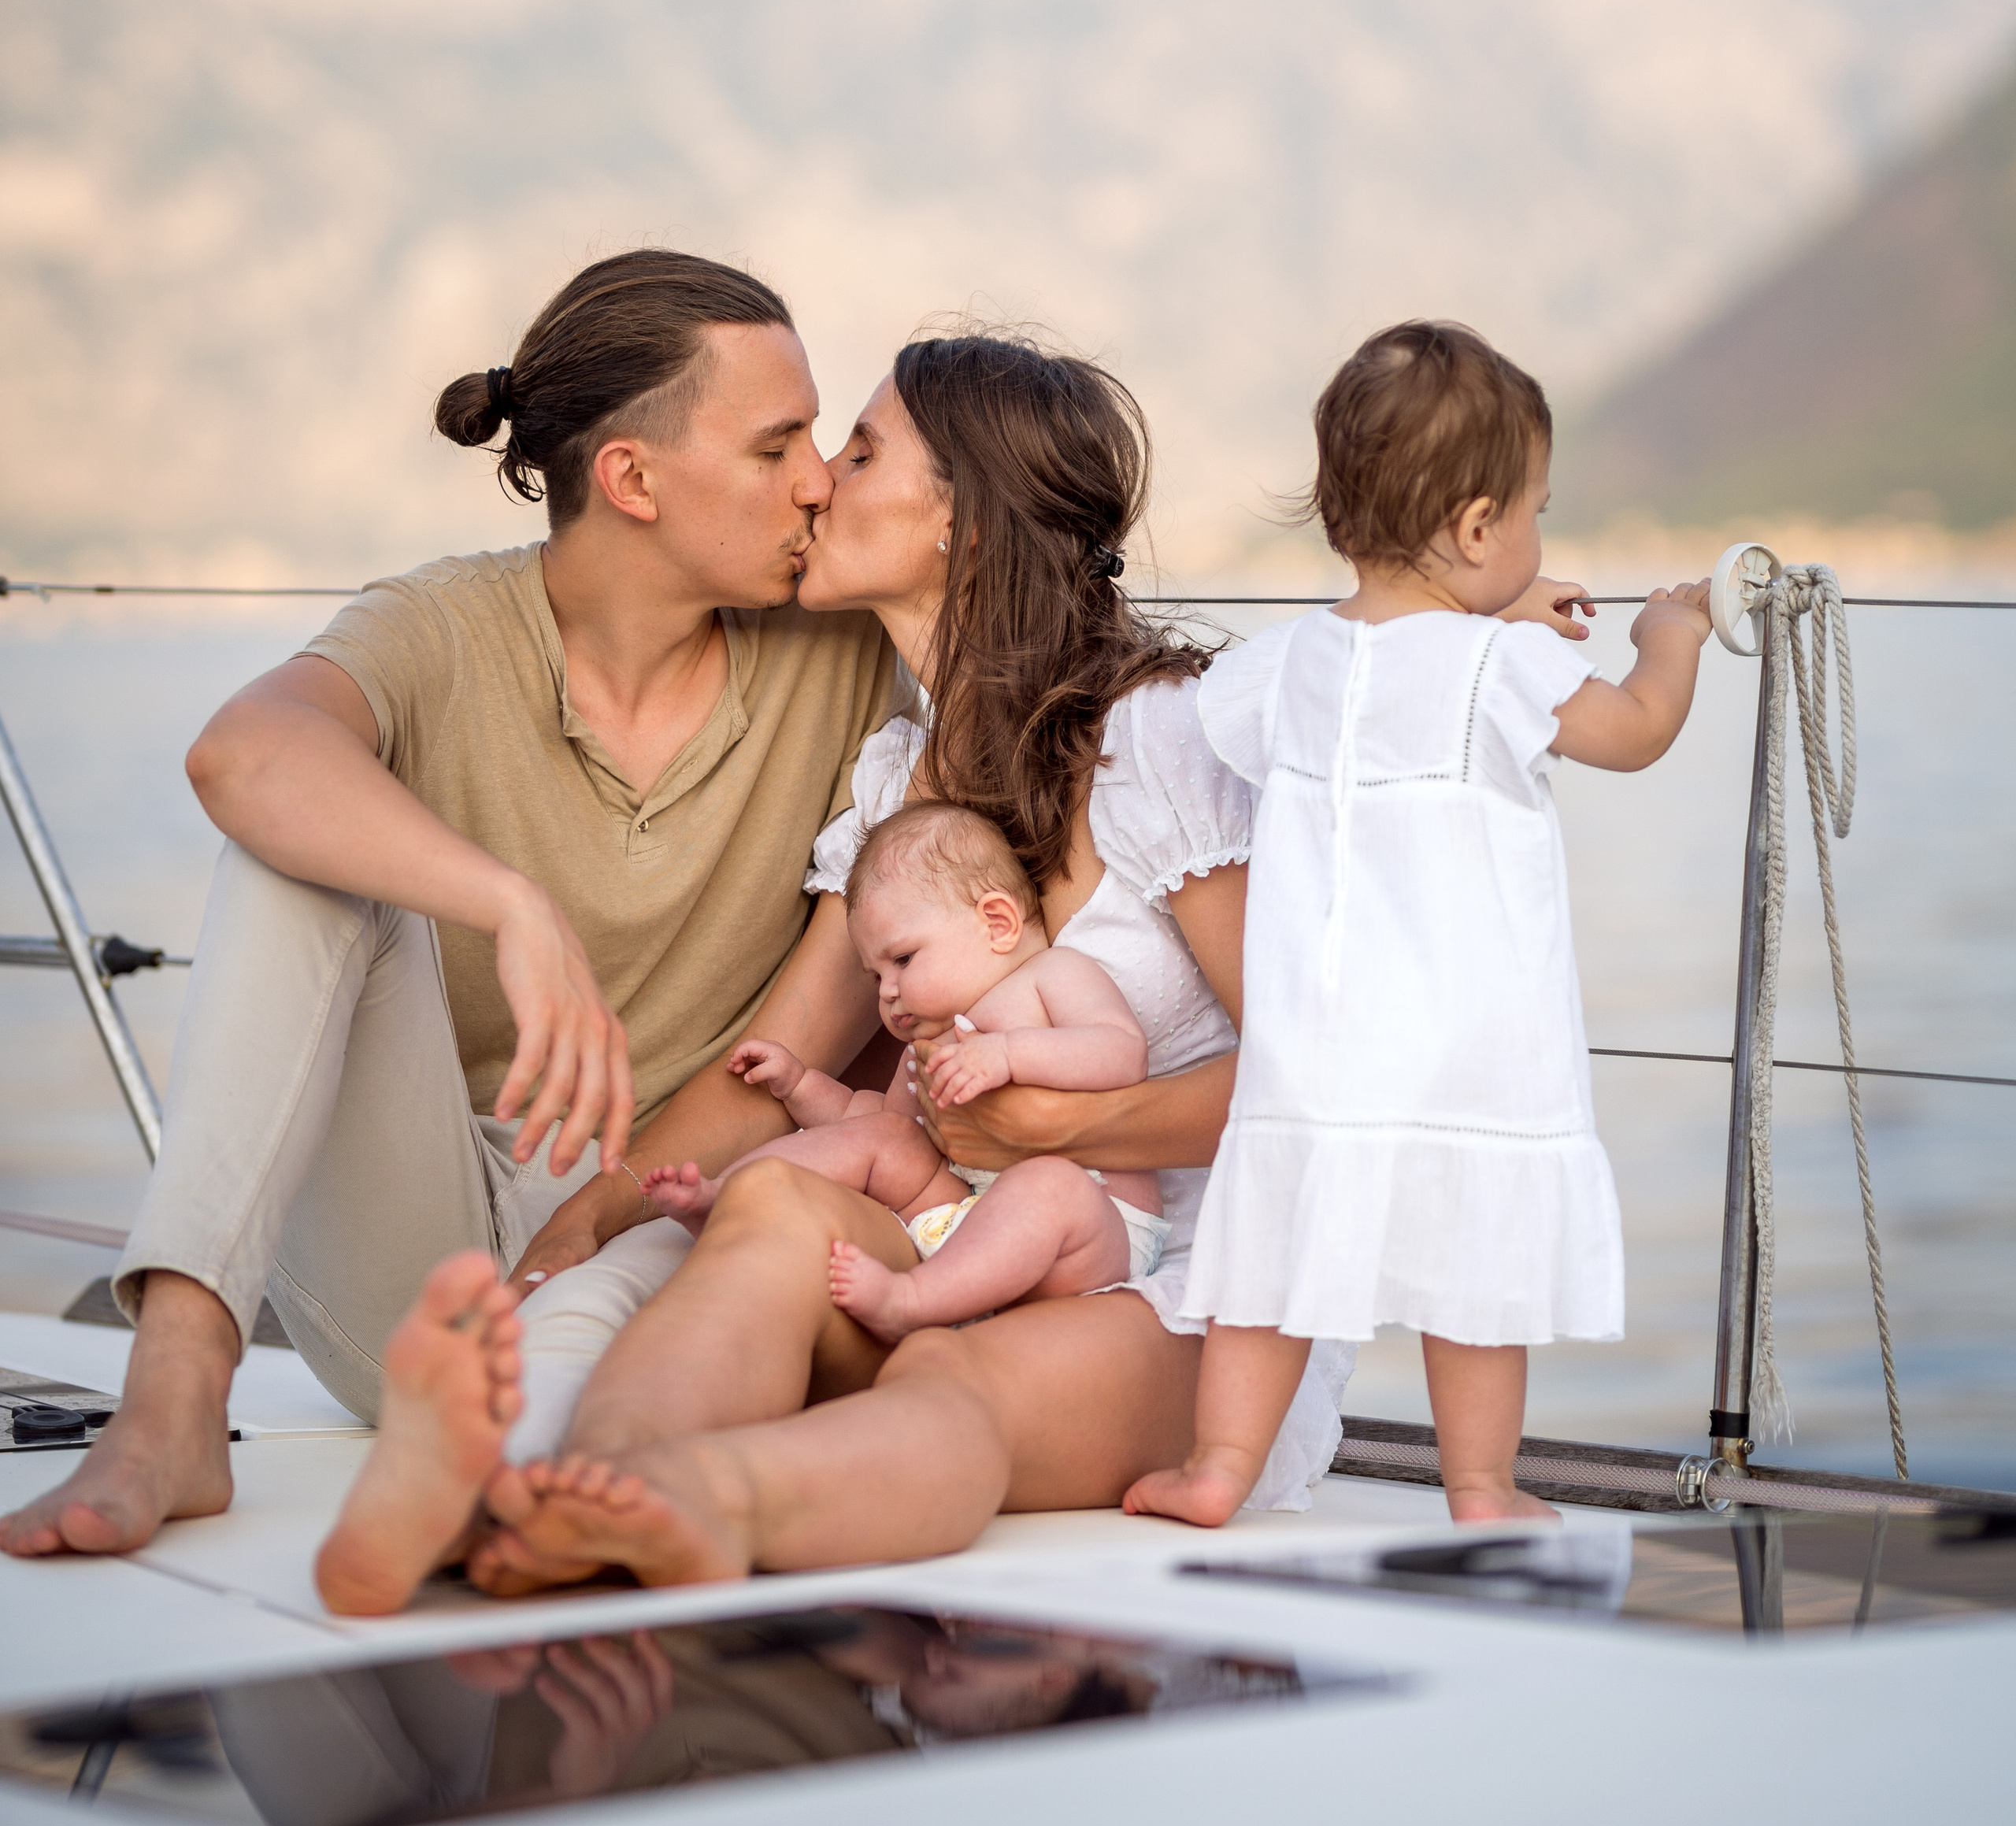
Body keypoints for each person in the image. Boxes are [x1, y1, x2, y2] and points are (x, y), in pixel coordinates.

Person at [310, 328, 1592, 1609]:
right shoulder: (895, 787)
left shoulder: (1156, 744)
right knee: (768, 1211)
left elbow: (1321, 1079)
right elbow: (781, 1061)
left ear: (960, 525)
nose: (818, 481)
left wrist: (1081, 1120)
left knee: (954, 1381)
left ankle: (702, 1504)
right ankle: (567, 1496)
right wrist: (585, 1222)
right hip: (961, 1237)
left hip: (1186, 1294)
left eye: (862, 452)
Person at [1, 248, 897, 1568]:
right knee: (297, 847)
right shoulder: (449, 625)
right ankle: (176, 1397)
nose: (819, 477)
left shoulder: (845, 662)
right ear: (633, 479)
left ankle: (499, 1482)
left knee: (694, 1271)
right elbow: (240, 757)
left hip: (660, 1225)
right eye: (779, 445)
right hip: (417, 1254)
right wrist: (506, 903)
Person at [1124, 320, 1712, 1532]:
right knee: (1473, 1283)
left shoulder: (1284, 668)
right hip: (1466, 1049)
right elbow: (1638, 732)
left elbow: (1384, 655)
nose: (1541, 543)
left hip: (1318, 1049)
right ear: (1481, 529)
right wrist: (1670, 639)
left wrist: (1487, 613)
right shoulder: (1504, 674)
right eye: (1534, 516)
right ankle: (1482, 1488)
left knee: (1270, 1273)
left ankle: (1218, 1469)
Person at [644, 795, 1169, 1341]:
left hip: (1094, 1229)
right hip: (966, 1221)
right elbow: (873, 1120)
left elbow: (1120, 1052)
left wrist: (1009, 1054)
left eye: (902, 960)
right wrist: (800, 1086)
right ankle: (727, 1197)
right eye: (875, 978)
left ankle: (910, 1301)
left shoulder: (1053, 975)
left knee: (1051, 1185)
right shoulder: (927, 1044)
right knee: (886, 1139)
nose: (888, 994)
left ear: (997, 922)